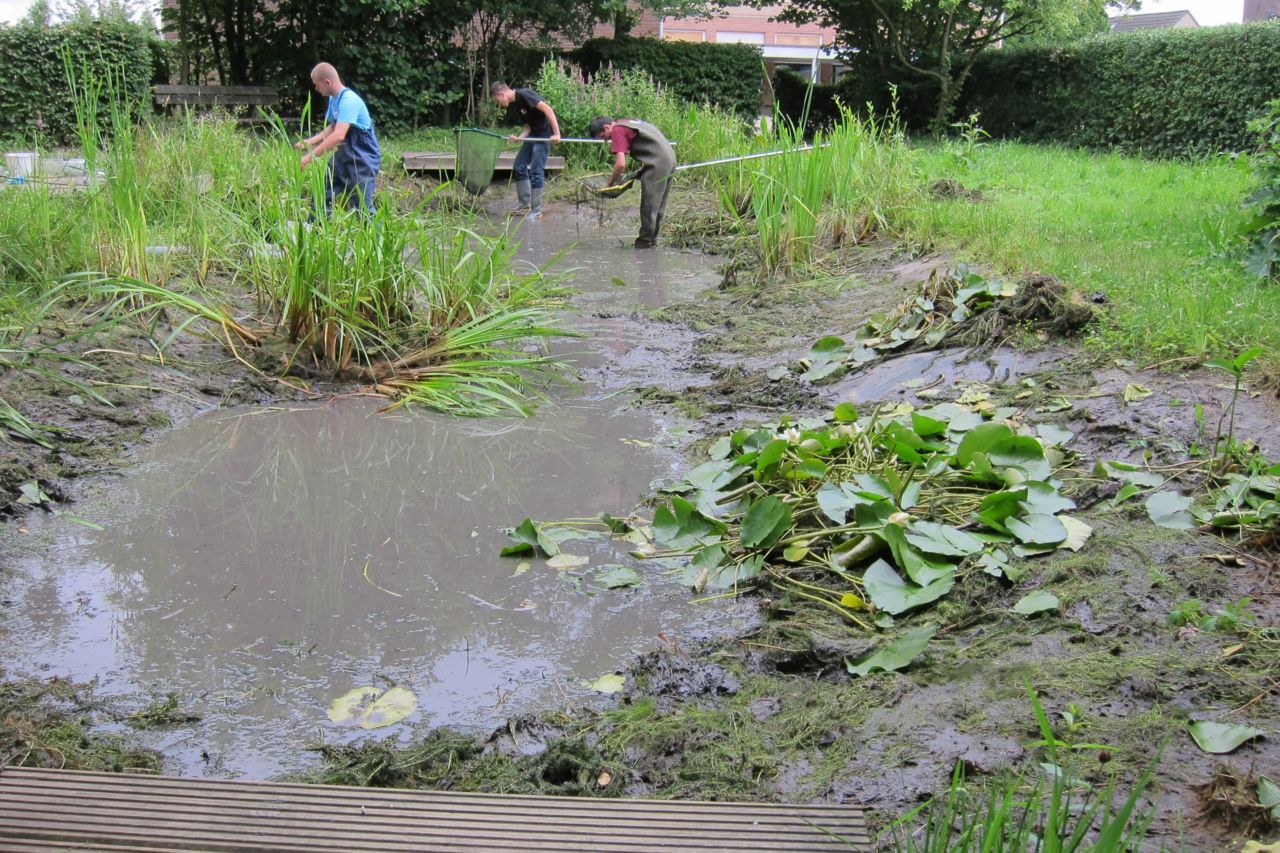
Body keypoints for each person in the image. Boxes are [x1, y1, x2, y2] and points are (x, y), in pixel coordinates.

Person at [295, 62, 381, 216]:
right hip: (345, 154)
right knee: (322, 190)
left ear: (327, 82)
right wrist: (310, 141)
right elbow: (333, 127)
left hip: (363, 157)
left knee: (361, 206)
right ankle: (317, 230)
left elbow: (339, 135)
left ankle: (379, 239)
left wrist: (309, 157)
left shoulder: (349, 100)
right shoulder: (335, 99)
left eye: (317, 85)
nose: (316, 89)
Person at [589, 117, 676, 249]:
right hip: (670, 159)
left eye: (603, 136)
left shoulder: (617, 130)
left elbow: (620, 164)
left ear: (607, 127)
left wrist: (610, 183)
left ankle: (644, 242)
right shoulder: (627, 122)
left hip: (657, 163)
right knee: (659, 206)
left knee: (649, 205)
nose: (606, 140)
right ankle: (652, 241)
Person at [490, 81, 561, 217]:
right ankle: (524, 206)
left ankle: (536, 210)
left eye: (497, 100)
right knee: (519, 166)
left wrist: (556, 133)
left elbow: (548, 109)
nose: (498, 104)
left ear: (502, 94)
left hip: (544, 136)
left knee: (536, 170)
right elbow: (528, 126)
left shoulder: (524, 94)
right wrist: (518, 138)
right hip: (532, 136)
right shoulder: (517, 104)